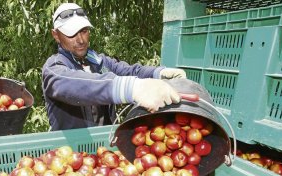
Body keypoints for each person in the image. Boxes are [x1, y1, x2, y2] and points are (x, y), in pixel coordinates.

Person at [42, 3, 187, 131]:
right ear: (56, 35)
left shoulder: (98, 61)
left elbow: (129, 71)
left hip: (104, 147)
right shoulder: (54, 68)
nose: (81, 40)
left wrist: (159, 73)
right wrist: (133, 88)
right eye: (71, 34)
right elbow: (74, 84)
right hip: (70, 155)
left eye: (84, 31)